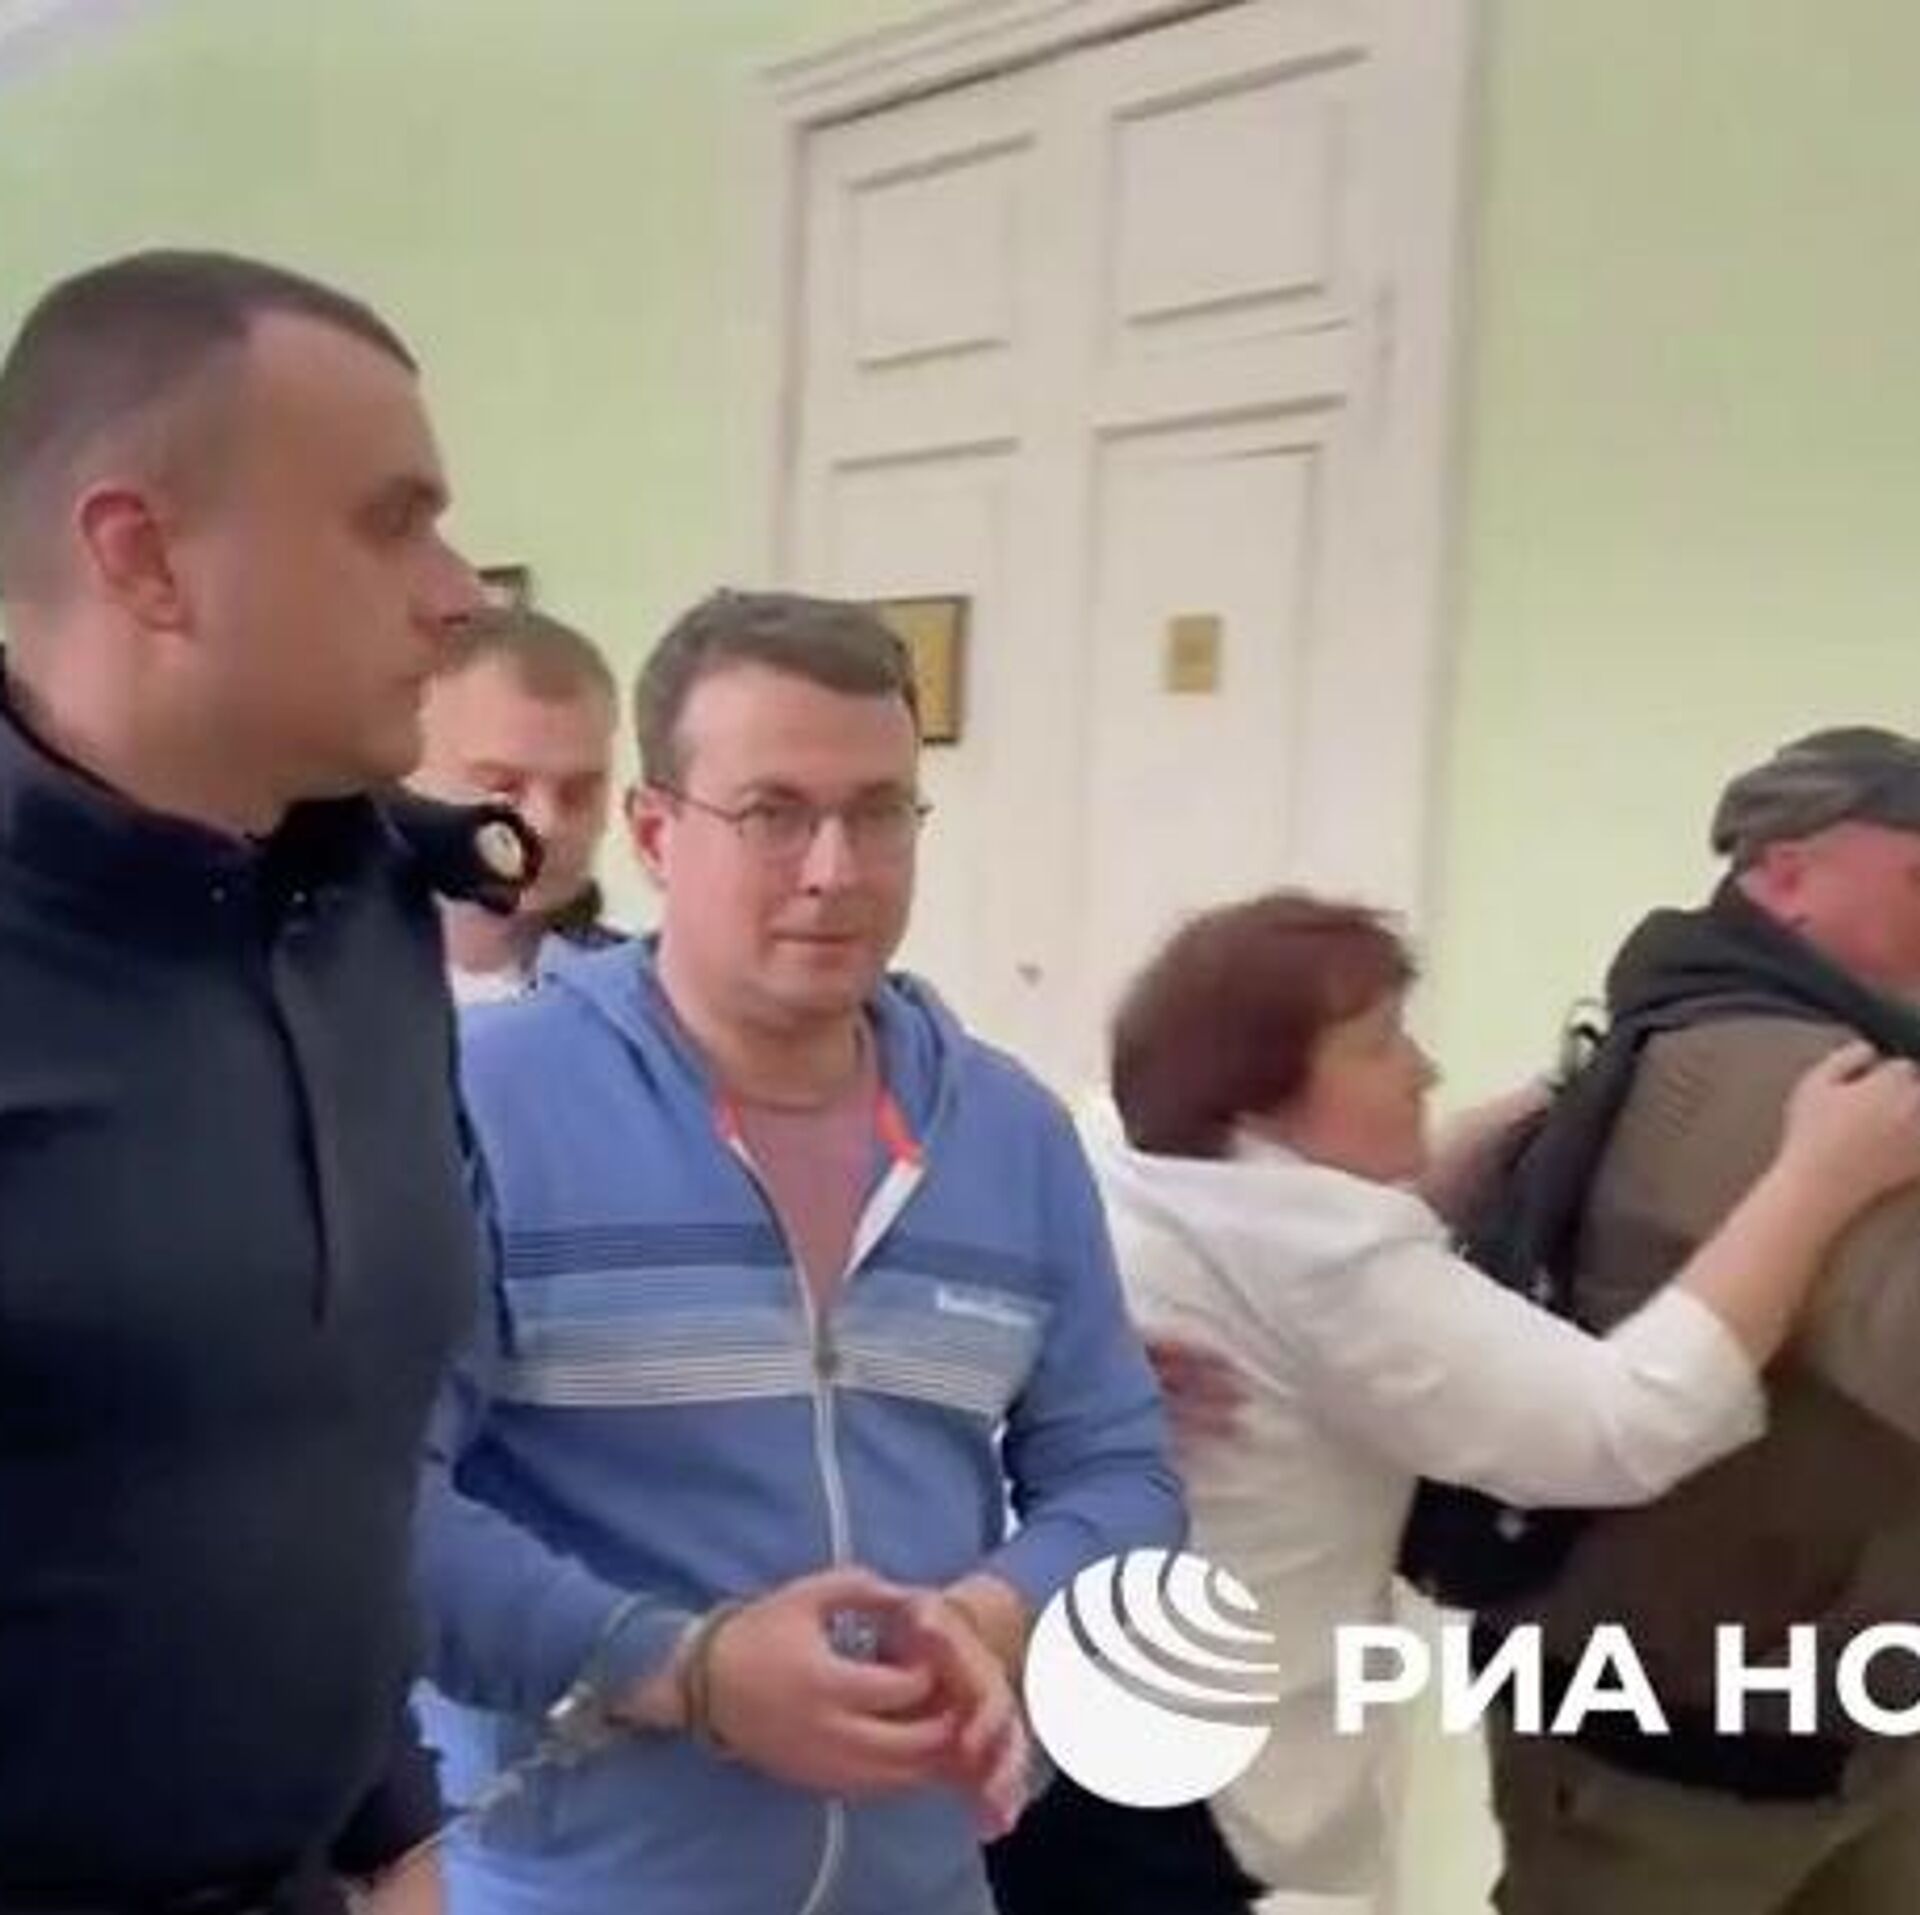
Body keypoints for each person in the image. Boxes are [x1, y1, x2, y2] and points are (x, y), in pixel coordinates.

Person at [411, 587, 1185, 1915]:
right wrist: (689, 1669)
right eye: (773, 813)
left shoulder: (1009, 1134)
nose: (836, 868)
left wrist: (991, 1616)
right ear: (656, 832)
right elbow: (378, 1505)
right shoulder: (477, 1103)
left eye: (879, 812)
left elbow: (1121, 1473)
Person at [984, 889, 1920, 1915]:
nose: (1423, 1069)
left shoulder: (1128, 1157)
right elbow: (1627, 1421)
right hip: (1191, 1793)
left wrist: (1539, 1110)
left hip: (1065, 1732)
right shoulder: (1332, 1270)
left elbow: (1307, 1278)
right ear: (1259, 1096)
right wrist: (1815, 1179)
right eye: (1381, 1044)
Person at [0, 249, 492, 1914]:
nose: (459, 594)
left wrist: (392, 1821)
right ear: (143, 557)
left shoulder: (371, 915)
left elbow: (310, 1454)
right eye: (390, 523)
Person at [1483, 727, 1920, 1915]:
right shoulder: (1788, 1076)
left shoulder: (1717, 1030)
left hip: (1795, 1721)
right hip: (1694, 1756)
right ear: (1787, 872)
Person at [409, 606, 622, 1003]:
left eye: (578, 792)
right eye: (503, 787)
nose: (546, 823)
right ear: (404, 775)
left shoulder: (650, 1007)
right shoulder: (302, 995)